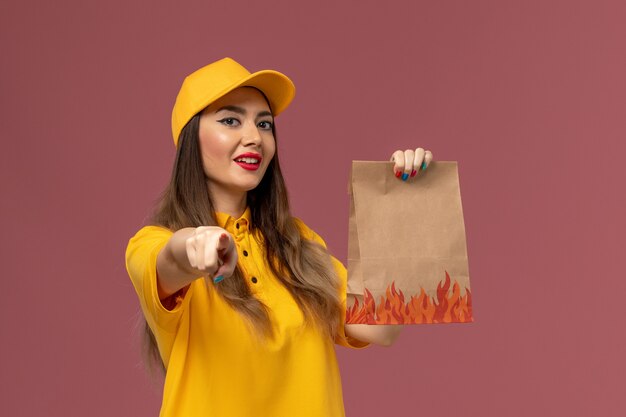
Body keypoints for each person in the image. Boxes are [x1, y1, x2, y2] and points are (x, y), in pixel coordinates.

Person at [125, 57, 433, 417]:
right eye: (230, 120)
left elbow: (383, 329)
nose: (254, 137)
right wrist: (197, 245)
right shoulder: (150, 244)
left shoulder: (298, 245)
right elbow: (172, 258)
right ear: (191, 139)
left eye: (265, 124)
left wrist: (400, 208)